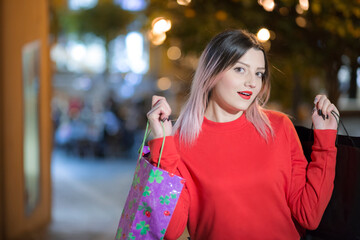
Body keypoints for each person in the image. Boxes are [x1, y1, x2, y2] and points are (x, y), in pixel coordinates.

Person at [146, 29, 339, 240]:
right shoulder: (180, 142)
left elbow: (309, 215)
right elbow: (170, 232)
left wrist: (325, 141)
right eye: (240, 69)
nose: (252, 82)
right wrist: (162, 145)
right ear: (212, 72)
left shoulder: (279, 127)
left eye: (259, 73)